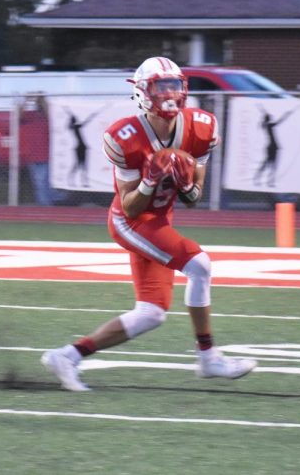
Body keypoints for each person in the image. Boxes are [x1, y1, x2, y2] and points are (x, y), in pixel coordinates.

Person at [41, 56, 257, 391]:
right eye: (161, 86)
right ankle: (209, 358)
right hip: (130, 221)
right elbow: (129, 205)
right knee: (200, 265)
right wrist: (149, 181)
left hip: (159, 221)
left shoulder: (202, 127)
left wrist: (186, 185)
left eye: (175, 85)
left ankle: (67, 356)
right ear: (143, 92)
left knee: (151, 313)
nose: (170, 93)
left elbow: (194, 197)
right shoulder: (124, 136)